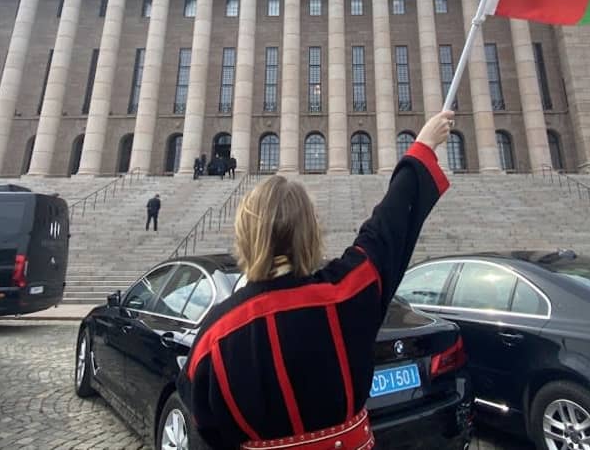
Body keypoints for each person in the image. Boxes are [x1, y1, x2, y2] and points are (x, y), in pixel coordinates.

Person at [178, 109, 455, 449]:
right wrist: (422, 146)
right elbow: (388, 225)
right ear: (311, 233)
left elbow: (206, 430)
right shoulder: (346, 292)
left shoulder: (215, 336)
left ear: (246, 235)